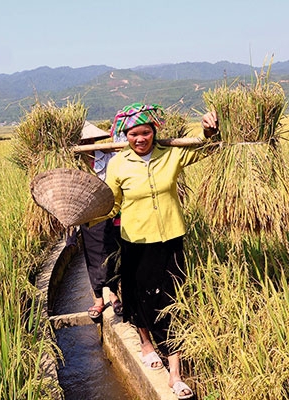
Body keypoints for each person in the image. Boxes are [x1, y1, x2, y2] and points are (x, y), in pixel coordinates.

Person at [101, 102, 218, 400]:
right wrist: (86, 213)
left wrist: (208, 130)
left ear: (154, 132)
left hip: (171, 240)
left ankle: (175, 372)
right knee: (139, 299)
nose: (139, 139)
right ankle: (146, 345)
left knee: (173, 300)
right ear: (125, 136)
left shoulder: (172, 155)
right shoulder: (118, 164)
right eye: (132, 135)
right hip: (134, 242)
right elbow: (110, 205)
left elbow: (209, 147)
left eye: (145, 133)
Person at [78, 121, 127, 319]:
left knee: (114, 253)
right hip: (88, 217)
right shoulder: (73, 162)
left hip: (112, 212)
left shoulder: (109, 157)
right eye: (82, 141)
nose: (86, 144)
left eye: (88, 140)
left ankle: (115, 295)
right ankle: (98, 298)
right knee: (93, 257)